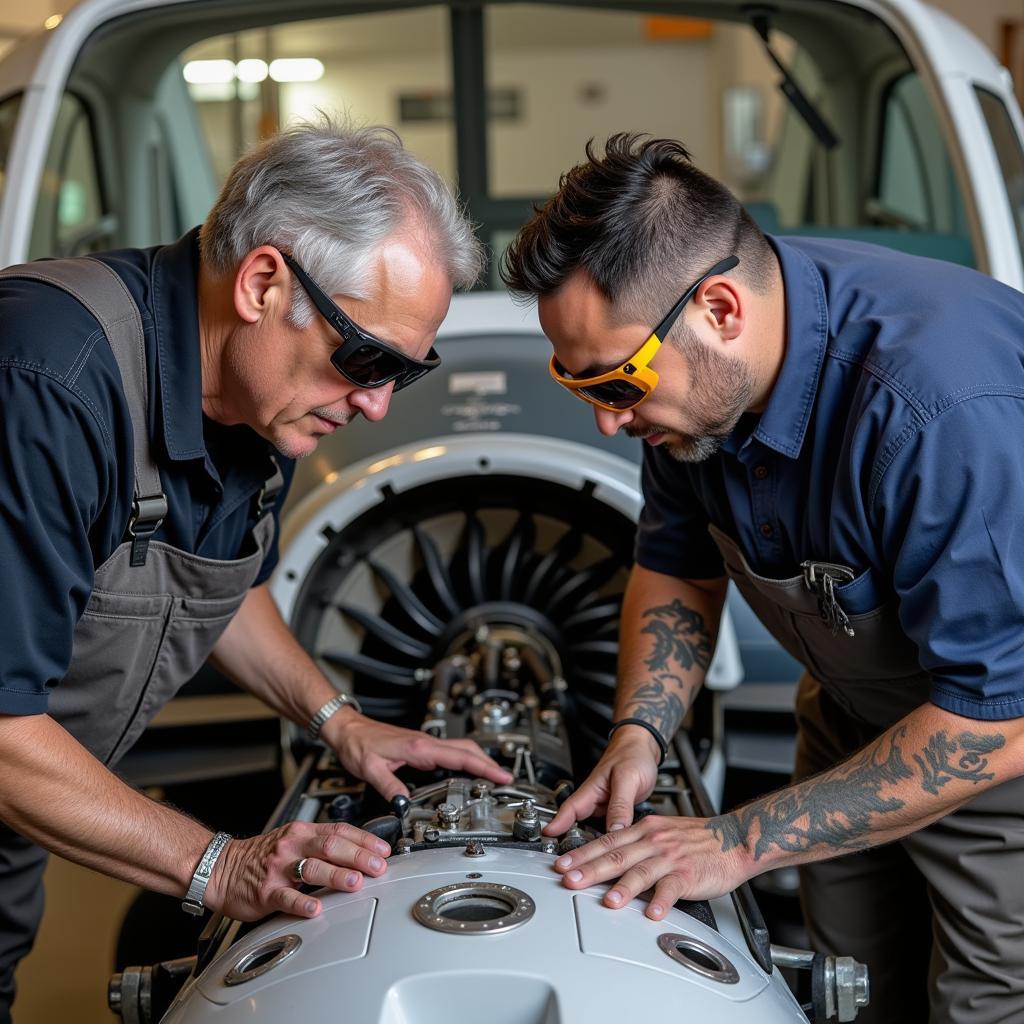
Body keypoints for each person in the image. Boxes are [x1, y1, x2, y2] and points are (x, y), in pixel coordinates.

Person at [499, 133, 1024, 1024]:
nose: (605, 422)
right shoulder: (695, 395)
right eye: (578, 384)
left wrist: (738, 839)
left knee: (985, 1004)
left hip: (1000, 755)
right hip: (852, 724)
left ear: (720, 308)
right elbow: (677, 568)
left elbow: (997, 713)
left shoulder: (939, 414)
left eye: (617, 384)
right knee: (847, 988)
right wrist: (640, 733)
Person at [0, 117, 512, 1022]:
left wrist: (341, 722)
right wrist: (220, 865)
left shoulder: (254, 402)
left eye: (409, 371)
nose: (378, 405)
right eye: (367, 359)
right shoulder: (47, 381)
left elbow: (219, 585)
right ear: (264, 281)